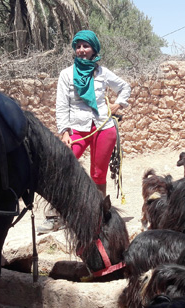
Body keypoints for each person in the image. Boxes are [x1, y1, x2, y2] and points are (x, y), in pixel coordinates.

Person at [37, 29, 131, 233]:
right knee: (61, 169)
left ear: (93, 49)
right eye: (78, 46)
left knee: (98, 175)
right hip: (77, 130)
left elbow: (125, 87)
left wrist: (118, 104)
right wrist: (64, 132)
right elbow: (61, 105)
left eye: (85, 46)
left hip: (103, 127)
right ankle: (55, 216)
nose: (81, 50)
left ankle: (99, 216)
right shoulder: (66, 74)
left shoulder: (102, 73)